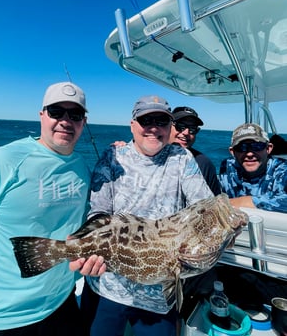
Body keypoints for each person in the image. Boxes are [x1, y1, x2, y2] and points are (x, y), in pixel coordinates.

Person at [0, 81, 106, 336]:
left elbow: (85, 228)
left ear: (84, 122)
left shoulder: (81, 168)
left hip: (62, 304)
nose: (65, 120)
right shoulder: (4, 161)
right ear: (42, 115)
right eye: (56, 112)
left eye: (75, 115)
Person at [80, 95, 214, 336]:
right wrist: (90, 248)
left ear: (170, 127)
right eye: (145, 120)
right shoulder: (112, 156)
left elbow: (204, 207)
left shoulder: (182, 158)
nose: (153, 128)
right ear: (132, 125)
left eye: (161, 121)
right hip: (107, 287)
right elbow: (98, 211)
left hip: (159, 296)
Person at [219, 122, 287, 213]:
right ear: (232, 152)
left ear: (268, 148)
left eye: (257, 146)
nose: (250, 154)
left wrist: (245, 201)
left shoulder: (283, 169)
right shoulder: (227, 166)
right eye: (241, 147)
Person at [170, 106, 221, 195]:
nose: (186, 132)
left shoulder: (204, 164)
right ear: (168, 126)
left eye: (192, 129)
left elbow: (214, 202)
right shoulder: (149, 157)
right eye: (180, 126)